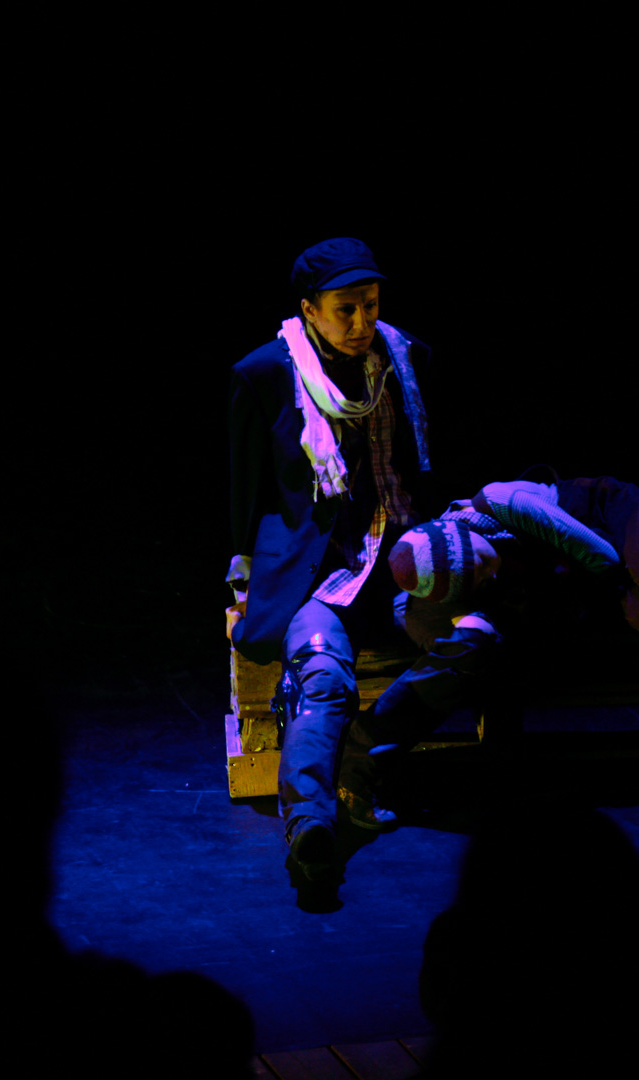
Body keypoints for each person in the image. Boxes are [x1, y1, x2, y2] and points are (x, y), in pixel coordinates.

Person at [335, 468, 639, 829]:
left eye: (489, 562)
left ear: (468, 535)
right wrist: (479, 630)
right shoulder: (425, 610)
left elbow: (605, 564)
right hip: (568, 582)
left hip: (606, 525)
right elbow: (452, 664)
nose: (494, 572)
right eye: (482, 581)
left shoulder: (507, 504)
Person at [227, 237, 440, 888]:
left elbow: (433, 467)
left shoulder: (406, 359)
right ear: (310, 310)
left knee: (477, 640)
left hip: (405, 565)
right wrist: (241, 581)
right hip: (323, 575)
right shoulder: (266, 374)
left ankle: (360, 763)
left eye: (370, 306)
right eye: (345, 309)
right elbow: (247, 494)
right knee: (322, 677)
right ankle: (310, 825)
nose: (360, 322)